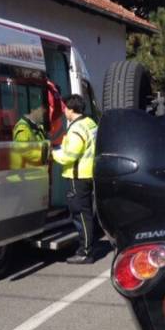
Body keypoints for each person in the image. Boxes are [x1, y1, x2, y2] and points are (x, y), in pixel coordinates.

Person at [52, 95, 98, 264]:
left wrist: (52, 153)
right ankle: (87, 247)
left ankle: (85, 252)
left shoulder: (77, 128)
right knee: (85, 213)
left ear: (71, 110)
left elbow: (69, 156)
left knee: (80, 214)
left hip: (77, 175)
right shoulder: (90, 123)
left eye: (65, 108)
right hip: (88, 174)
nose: (64, 111)